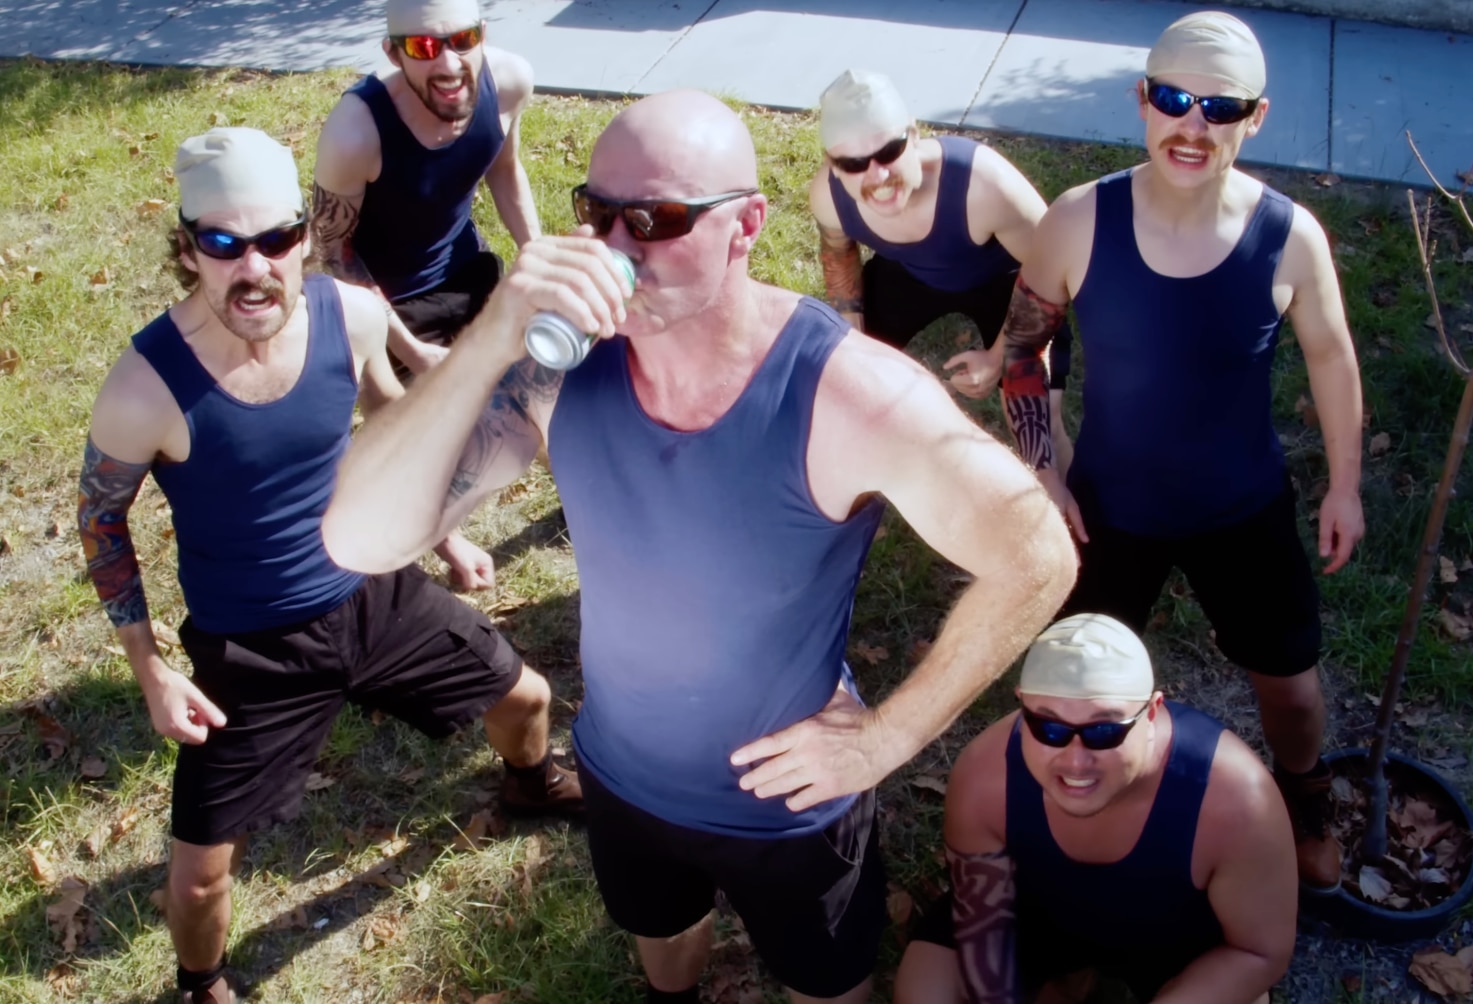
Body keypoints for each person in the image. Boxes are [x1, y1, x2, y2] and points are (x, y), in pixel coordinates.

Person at [322, 90, 1077, 1004]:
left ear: (747, 225)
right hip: (619, 775)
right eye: (597, 215)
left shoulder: (853, 392)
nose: (617, 249)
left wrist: (888, 739)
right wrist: (490, 338)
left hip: (793, 810)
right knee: (662, 940)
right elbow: (360, 537)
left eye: (656, 219)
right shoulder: (562, 370)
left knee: (825, 986)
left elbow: (1037, 552)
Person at [77, 128, 580, 1004]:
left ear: (303, 236)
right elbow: (100, 520)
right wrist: (152, 669)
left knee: (531, 701)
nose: (254, 267)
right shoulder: (143, 388)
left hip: (371, 590)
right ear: (188, 249)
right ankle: (201, 985)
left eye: (274, 239)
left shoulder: (347, 314)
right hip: (250, 648)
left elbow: (396, 424)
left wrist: (443, 532)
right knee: (195, 882)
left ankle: (529, 787)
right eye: (224, 245)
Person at [996, 10, 1364, 889]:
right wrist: (1042, 464)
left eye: (1219, 107)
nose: (1192, 125)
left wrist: (1343, 484)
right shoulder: (1079, 221)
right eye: (1172, 99)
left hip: (1241, 505)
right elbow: (1021, 348)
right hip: (1109, 509)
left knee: (1291, 687)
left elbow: (1330, 354)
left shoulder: (1289, 237)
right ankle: (1064, 833)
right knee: (1074, 693)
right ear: (1142, 101)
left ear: (1255, 118)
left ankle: (1304, 802)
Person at [894, 613, 1296, 1004]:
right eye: (1049, 727)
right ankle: (1068, 977)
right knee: (924, 989)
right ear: (1022, 707)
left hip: (1173, 937)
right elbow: (981, 923)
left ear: (1152, 713)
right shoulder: (986, 776)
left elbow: (1259, 951)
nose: (1075, 760)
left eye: (1104, 730)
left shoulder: (1235, 798)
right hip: (1037, 917)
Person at [312, 0, 541, 589]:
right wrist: (411, 349)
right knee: (408, 417)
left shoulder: (508, 82)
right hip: (382, 297)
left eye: (462, 39)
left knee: (556, 371)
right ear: (393, 53)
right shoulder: (355, 131)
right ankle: (442, 535)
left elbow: (504, 168)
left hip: (464, 271)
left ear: (482, 36)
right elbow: (334, 254)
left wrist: (537, 256)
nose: (448, 62)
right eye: (422, 47)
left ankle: (590, 488)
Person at [809, 69, 1073, 470]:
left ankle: (1066, 518)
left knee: (1039, 430)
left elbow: (1052, 273)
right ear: (833, 165)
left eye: (890, 151)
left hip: (1011, 281)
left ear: (913, 136)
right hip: (908, 274)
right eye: (854, 163)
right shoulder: (828, 195)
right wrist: (855, 340)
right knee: (838, 382)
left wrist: (1001, 354)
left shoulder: (983, 184)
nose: (877, 176)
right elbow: (838, 252)